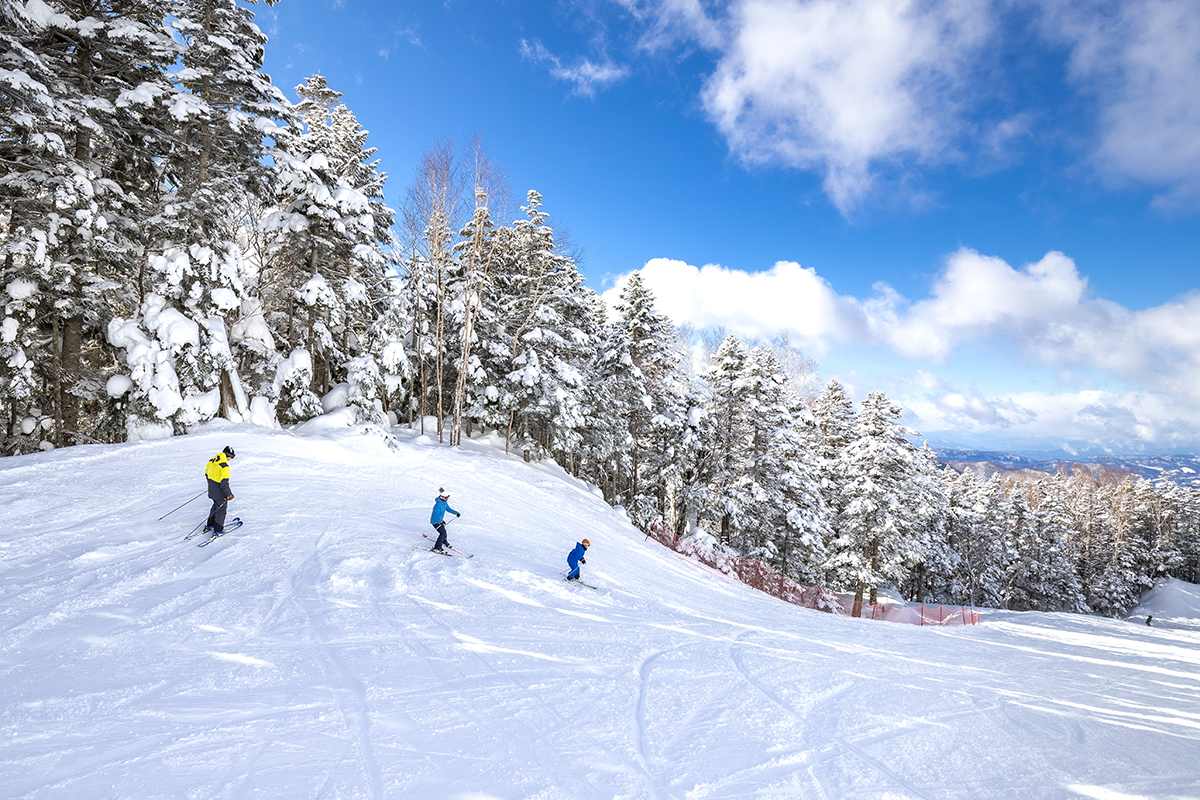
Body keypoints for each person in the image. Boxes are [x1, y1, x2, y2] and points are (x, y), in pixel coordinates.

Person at [205, 446, 235, 535]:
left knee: (215, 506)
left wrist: (212, 485)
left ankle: (210, 525)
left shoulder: (211, 461)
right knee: (221, 509)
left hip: (212, 489)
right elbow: (224, 484)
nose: (230, 459)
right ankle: (218, 530)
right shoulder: (224, 467)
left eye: (232, 457)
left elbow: (207, 474)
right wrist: (229, 494)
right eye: (229, 456)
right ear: (225, 455)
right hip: (220, 492)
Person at [430, 488, 460, 553]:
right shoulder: (437, 505)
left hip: (440, 521)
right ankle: (437, 548)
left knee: (444, 531)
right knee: (442, 533)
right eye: (446, 498)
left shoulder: (444, 503)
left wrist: (456, 513)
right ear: (442, 497)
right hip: (435, 521)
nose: (447, 499)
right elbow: (435, 515)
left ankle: (443, 541)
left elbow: (448, 509)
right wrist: (440, 521)